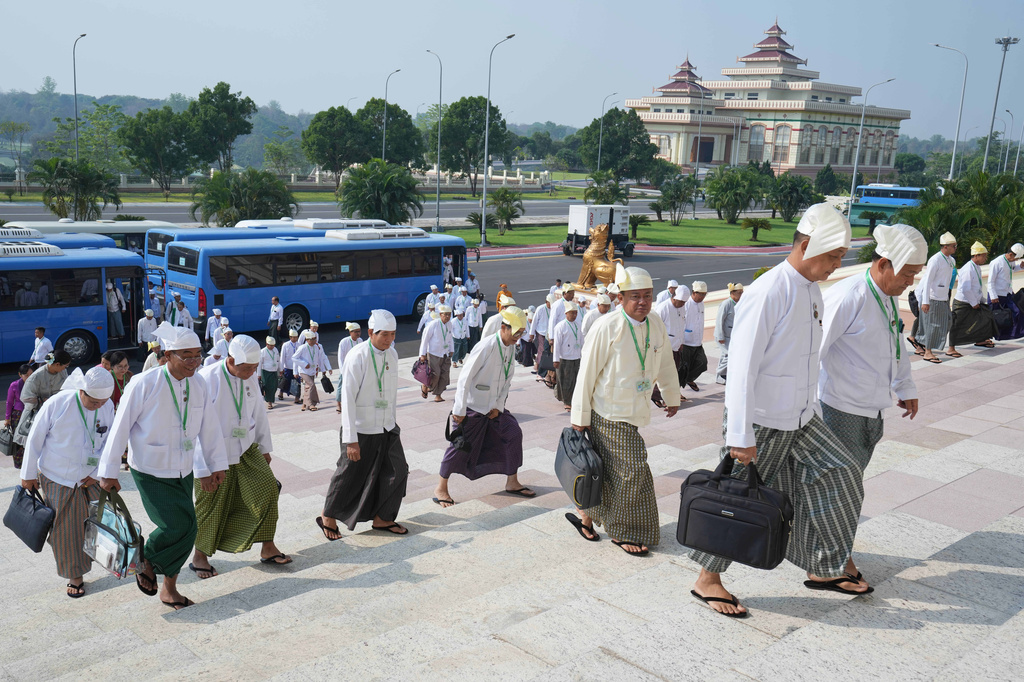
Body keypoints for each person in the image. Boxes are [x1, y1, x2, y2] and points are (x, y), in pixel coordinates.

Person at [688, 202, 864, 618]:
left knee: (842, 472)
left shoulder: (812, 290)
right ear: (805, 245)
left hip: (802, 417)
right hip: (761, 419)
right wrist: (740, 437)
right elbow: (742, 367)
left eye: (841, 258)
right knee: (736, 500)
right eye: (832, 256)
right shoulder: (769, 291)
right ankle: (707, 579)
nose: (836, 265)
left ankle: (823, 564)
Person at [818, 223, 925, 591]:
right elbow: (813, 352)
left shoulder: (884, 297)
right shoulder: (848, 295)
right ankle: (830, 563)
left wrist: (904, 385)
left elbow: (896, 342)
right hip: (839, 409)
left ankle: (833, 554)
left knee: (848, 486)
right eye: (908, 273)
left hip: (871, 410)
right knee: (842, 488)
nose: (911, 281)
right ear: (883, 264)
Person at [98, 322, 228, 610]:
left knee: (188, 530)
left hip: (184, 467)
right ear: (168, 355)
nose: (195, 362)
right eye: (187, 355)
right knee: (177, 525)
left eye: (198, 355)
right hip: (150, 468)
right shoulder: (144, 383)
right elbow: (120, 427)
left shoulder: (199, 383)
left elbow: (210, 427)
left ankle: (169, 588)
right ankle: (146, 558)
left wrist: (215, 464)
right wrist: (107, 472)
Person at [568, 264, 680, 556]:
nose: (642, 301)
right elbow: (587, 373)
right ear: (620, 298)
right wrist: (579, 418)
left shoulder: (655, 323)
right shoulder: (607, 326)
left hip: (637, 408)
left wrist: (672, 395)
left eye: (647, 295)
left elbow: (665, 361)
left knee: (606, 470)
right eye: (635, 296)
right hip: (607, 411)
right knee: (632, 470)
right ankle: (623, 530)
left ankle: (587, 517)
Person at [189, 335, 290, 578]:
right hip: (214, 454)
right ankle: (199, 556)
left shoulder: (250, 376)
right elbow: (195, 428)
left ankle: (267, 547)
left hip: (245, 448)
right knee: (210, 504)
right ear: (231, 359)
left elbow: (259, 413)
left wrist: (264, 448)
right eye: (247, 368)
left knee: (267, 490)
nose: (251, 373)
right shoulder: (205, 379)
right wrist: (203, 470)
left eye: (255, 368)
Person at [20, 367, 115, 599]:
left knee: (102, 521)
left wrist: (99, 471)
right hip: (58, 476)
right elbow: (35, 439)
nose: (98, 406)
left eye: (103, 401)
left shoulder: (107, 406)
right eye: (93, 401)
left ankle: (110, 561)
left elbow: (111, 440)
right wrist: (28, 474)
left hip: (92, 475)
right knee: (66, 529)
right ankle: (75, 575)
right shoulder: (58, 403)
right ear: (81, 390)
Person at [318, 310, 409, 540]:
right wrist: (351, 439)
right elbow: (347, 399)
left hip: (387, 427)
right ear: (371, 333)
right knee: (349, 473)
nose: (389, 340)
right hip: (361, 429)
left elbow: (392, 394)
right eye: (385, 335)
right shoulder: (357, 356)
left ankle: (383, 518)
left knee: (398, 470)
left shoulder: (393, 355)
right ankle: (327, 515)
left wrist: (393, 423)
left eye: (393, 334)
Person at [433, 307, 535, 507]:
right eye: (516, 333)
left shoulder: (511, 346)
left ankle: (512, 481)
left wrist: (498, 406)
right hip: (472, 407)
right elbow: (465, 378)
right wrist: (459, 410)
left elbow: (507, 379)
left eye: (521, 333)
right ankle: (441, 487)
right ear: (504, 327)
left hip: (494, 408)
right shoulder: (486, 346)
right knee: (459, 446)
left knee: (513, 433)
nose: (518, 337)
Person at [14, 350, 71, 461]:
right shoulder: (37, 376)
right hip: (37, 415)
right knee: (36, 448)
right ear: (57, 364)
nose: (66, 369)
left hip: (57, 413)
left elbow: (67, 388)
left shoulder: (63, 373)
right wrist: (43, 401)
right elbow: (26, 397)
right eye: (65, 366)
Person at [912, 232, 958, 364]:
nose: (955, 248)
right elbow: (927, 281)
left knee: (947, 321)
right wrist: (925, 301)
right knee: (931, 325)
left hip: (943, 298)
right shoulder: (935, 259)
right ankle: (928, 352)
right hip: (932, 297)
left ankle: (921, 345)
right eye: (953, 246)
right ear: (945, 247)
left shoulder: (951, 260)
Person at [949, 241, 998, 356]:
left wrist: (981, 300)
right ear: (976, 256)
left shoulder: (977, 267)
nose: (985, 258)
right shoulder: (968, 268)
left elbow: (977, 286)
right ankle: (951, 348)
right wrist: (973, 302)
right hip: (963, 302)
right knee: (957, 325)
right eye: (984, 256)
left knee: (984, 319)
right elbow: (966, 288)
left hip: (973, 301)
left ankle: (980, 340)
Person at [652, 285, 688, 408]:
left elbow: (682, 325)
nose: (683, 304)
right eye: (681, 301)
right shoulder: (663, 308)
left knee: (674, 373)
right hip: (664, 347)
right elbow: (654, 328)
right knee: (664, 374)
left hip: (676, 346)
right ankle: (657, 396)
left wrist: (681, 342)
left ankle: (669, 396)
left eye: (684, 302)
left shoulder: (681, 308)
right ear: (674, 297)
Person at [987, 242, 1024, 340]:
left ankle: (1012, 334)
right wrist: (993, 296)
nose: (1016, 260)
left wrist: (1020, 266)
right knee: (996, 317)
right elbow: (990, 281)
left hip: (1007, 293)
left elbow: (1011, 270)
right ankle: (989, 337)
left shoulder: (1010, 261)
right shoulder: (997, 262)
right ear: (1011, 254)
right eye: (1016, 258)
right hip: (996, 295)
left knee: (1016, 312)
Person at [552, 300, 583, 411]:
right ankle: (567, 401)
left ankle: (572, 399)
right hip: (564, 358)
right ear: (566, 313)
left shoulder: (578, 325)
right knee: (565, 381)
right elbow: (557, 344)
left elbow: (581, 341)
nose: (574, 315)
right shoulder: (560, 326)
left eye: (576, 313)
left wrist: (582, 355)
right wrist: (556, 359)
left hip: (576, 357)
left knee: (575, 380)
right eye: (572, 313)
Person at [419, 304, 454, 402]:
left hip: (445, 353)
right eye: (445, 314)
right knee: (436, 374)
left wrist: (452, 350)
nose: (447, 317)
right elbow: (425, 340)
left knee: (444, 375)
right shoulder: (433, 324)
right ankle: (425, 385)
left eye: (449, 314)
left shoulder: (450, 324)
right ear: (440, 314)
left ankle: (438, 395)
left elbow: (450, 338)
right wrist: (422, 354)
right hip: (434, 354)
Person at [677, 280, 708, 391]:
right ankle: (677, 392)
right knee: (682, 368)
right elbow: (680, 323)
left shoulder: (702, 304)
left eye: (704, 294)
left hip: (697, 341)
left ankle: (689, 379)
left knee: (702, 363)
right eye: (701, 294)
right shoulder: (686, 304)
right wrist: (680, 341)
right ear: (694, 293)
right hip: (686, 342)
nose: (703, 297)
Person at [294, 330, 332, 411]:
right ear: (307, 340)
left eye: (315, 338)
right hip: (304, 371)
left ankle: (304, 403)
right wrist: (303, 364)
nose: (315, 340)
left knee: (307, 387)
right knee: (311, 385)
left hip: (313, 370)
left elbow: (321, 358)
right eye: (313, 339)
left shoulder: (317, 347)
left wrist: (324, 369)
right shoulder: (302, 347)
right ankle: (311, 404)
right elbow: (294, 358)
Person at [5, 365, 33, 468]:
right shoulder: (14, 385)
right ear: (20, 375)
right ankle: (19, 464)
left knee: (30, 439)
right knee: (18, 440)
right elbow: (9, 402)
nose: (29, 377)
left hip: (32, 413)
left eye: (31, 374)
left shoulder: (35, 383)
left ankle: (30, 462)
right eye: (26, 375)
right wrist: (7, 418)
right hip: (18, 415)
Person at [714, 283, 743, 384]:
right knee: (729, 355)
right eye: (739, 293)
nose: (741, 295)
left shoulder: (740, 303)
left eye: (742, 293)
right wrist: (720, 336)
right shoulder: (726, 304)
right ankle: (719, 373)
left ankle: (722, 376)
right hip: (724, 335)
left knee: (725, 356)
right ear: (732, 293)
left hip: (733, 336)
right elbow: (719, 320)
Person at [335, 323, 363, 413]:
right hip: (346, 368)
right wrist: (343, 370)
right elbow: (340, 357)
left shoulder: (360, 341)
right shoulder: (344, 342)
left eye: (359, 331)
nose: (358, 334)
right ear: (351, 332)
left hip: (356, 368)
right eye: (356, 332)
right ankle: (338, 404)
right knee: (341, 386)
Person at [278, 329, 301, 404]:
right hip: (288, 367)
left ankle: (297, 398)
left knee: (298, 383)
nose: (294, 339)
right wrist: (281, 368)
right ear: (290, 337)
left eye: (296, 337)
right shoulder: (286, 345)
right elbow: (282, 357)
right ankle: (281, 393)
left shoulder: (299, 345)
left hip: (296, 368)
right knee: (285, 382)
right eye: (293, 337)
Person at [260, 336, 282, 409]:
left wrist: (280, 369)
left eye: (273, 345)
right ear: (267, 344)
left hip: (274, 371)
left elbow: (278, 360)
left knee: (274, 386)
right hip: (266, 371)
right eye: (271, 345)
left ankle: (270, 398)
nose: (272, 347)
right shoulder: (263, 351)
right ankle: (269, 402)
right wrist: (258, 374)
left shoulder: (275, 350)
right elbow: (259, 364)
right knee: (268, 387)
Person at [530, 294, 553, 363]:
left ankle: (541, 365)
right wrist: (531, 333)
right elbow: (534, 321)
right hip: (541, 332)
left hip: (549, 333)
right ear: (546, 302)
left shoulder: (553, 309)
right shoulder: (540, 308)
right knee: (542, 349)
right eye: (550, 303)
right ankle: (539, 366)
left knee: (548, 350)